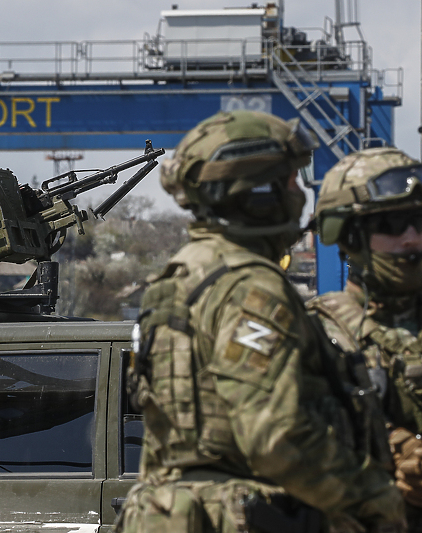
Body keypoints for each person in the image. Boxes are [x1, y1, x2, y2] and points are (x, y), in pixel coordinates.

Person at [116, 110, 405, 533]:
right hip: (239, 515)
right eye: (290, 181)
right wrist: (376, 497)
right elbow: (276, 438)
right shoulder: (250, 286)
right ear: (258, 193)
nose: (300, 194)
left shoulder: (180, 275)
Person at [308, 147, 422, 526]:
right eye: (391, 224)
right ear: (350, 235)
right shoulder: (313, 333)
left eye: (419, 221)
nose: (412, 239)